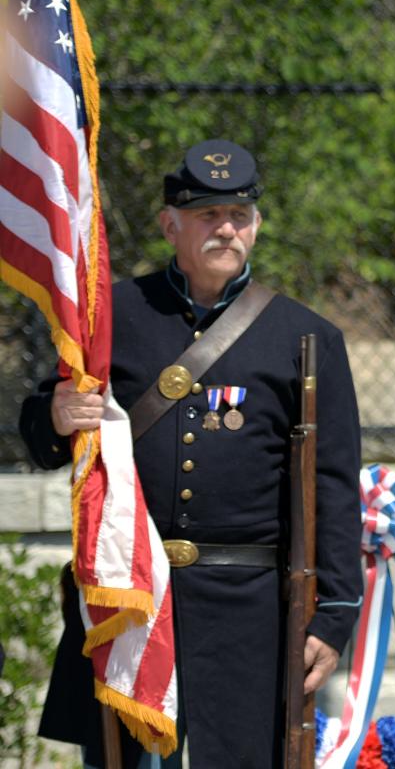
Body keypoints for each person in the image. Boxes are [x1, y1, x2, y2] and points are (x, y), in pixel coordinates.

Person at [20, 140, 362, 768]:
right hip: (132, 599)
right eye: (207, 214)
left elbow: (334, 489)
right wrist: (54, 413)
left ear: (256, 226)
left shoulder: (307, 337)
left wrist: (334, 615)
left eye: (238, 214)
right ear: (169, 224)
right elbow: (38, 432)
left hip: (249, 611)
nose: (225, 228)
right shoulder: (110, 316)